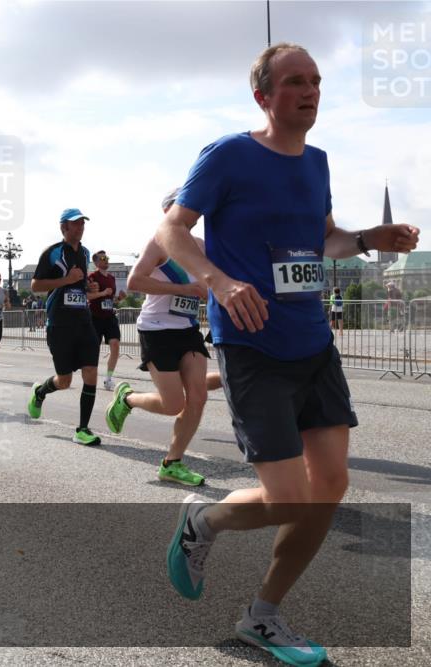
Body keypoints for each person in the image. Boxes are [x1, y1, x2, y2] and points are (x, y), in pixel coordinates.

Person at [157, 43, 420, 665]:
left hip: (313, 343)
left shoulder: (318, 162)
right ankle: (203, 522)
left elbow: (322, 240)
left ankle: (263, 616)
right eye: (296, 82)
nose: (310, 91)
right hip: (252, 344)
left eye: (316, 81)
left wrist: (368, 238)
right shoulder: (228, 154)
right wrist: (219, 281)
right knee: (290, 498)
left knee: (328, 487)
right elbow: (171, 229)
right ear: (263, 96)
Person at [104, 189, 215, 487]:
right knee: (173, 404)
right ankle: (127, 399)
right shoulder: (158, 242)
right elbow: (135, 281)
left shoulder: (201, 246)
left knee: (198, 397)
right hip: (156, 329)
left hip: (187, 328)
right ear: (168, 211)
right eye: (183, 206)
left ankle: (172, 463)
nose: (192, 213)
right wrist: (184, 290)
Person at [26, 208, 103, 446]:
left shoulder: (86, 252)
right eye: (75, 223)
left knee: (91, 372)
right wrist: (66, 280)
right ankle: (40, 392)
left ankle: (83, 429)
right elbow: (35, 285)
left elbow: (80, 284)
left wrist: (87, 287)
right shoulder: (52, 253)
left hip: (84, 321)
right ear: (64, 227)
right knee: (65, 380)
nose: (80, 227)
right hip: (59, 324)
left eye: (82, 223)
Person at [87, 251, 127, 390]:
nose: (106, 260)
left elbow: (111, 300)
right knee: (94, 350)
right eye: (103, 258)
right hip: (95, 317)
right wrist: (103, 293)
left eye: (107, 257)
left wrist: (119, 298)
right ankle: (90, 377)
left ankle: (108, 378)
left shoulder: (112, 278)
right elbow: (87, 296)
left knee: (115, 345)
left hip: (109, 316)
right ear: (96, 262)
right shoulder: (92, 277)